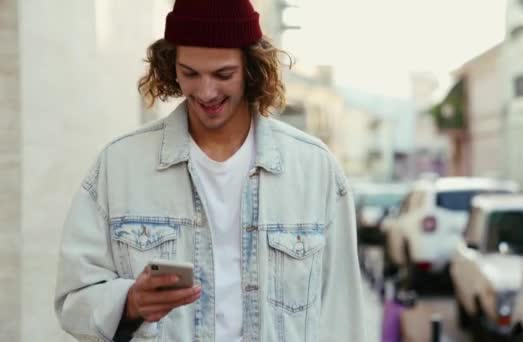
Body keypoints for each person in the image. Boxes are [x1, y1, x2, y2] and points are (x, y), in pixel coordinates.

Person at [54, 0, 366, 341]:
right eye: (190, 73)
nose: (206, 92)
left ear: (251, 68)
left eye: (223, 74)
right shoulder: (119, 165)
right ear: (171, 66)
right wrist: (129, 303)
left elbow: (342, 319)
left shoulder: (315, 170)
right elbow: (74, 299)